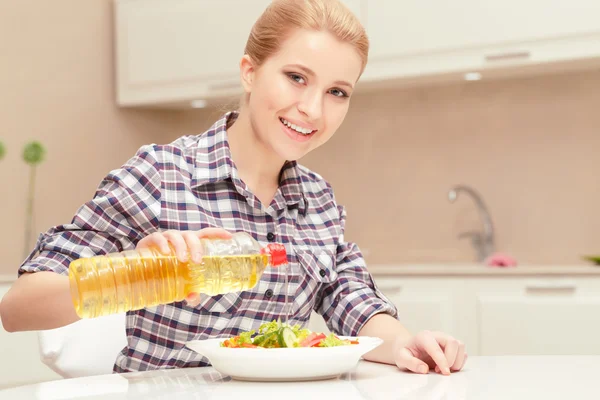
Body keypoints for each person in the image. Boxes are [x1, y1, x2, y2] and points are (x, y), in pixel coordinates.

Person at [0, 0, 466, 375]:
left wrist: (410, 344)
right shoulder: (162, 175)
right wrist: (138, 271)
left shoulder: (318, 202)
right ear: (249, 71)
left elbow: (351, 303)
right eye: (296, 77)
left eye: (337, 91)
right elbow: (18, 309)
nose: (312, 109)